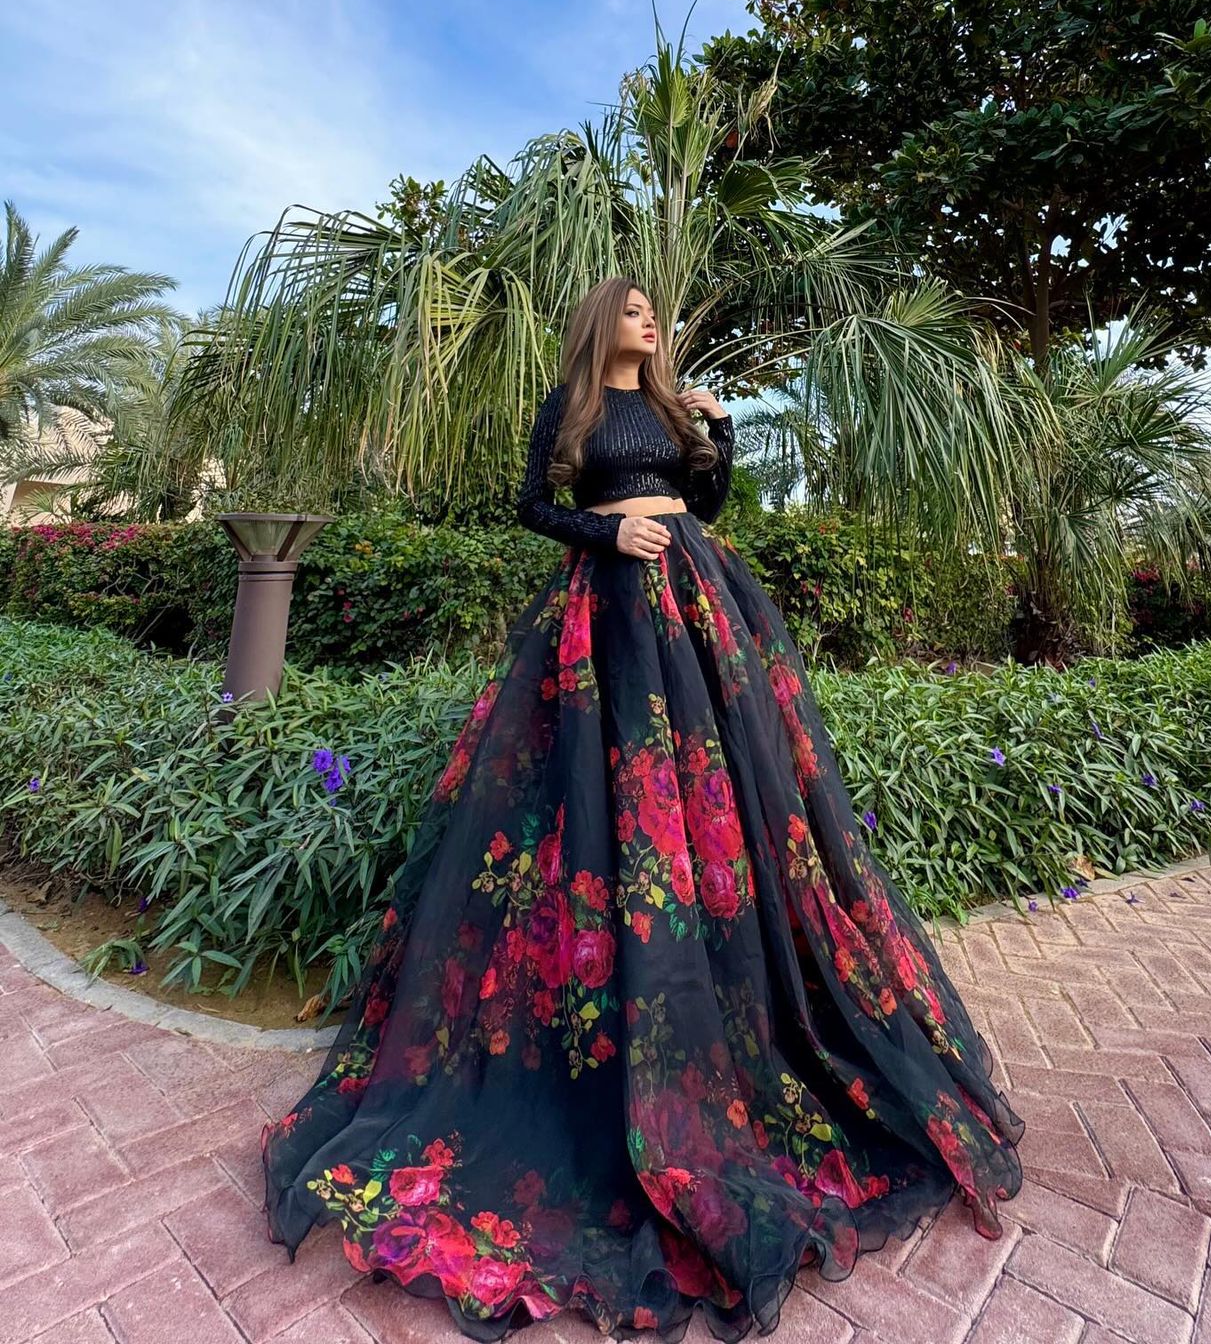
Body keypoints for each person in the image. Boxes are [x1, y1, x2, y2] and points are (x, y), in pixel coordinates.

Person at [260, 277, 1023, 1343]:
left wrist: (719, 436)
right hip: (608, 609)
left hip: (697, 603)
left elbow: (706, 508)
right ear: (599, 324)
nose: (649, 321)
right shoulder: (572, 405)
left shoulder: (671, 407)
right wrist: (604, 536)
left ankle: (737, 994)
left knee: (722, 799)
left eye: (652, 312)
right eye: (633, 311)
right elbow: (530, 506)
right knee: (603, 796)